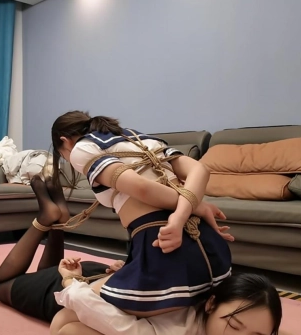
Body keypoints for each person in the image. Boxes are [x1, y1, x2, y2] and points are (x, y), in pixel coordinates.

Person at [0, 176, 301, 335]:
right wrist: (70, 283)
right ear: (211, 304)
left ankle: (56, 219)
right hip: (77, 292)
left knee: (48, 273)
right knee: (2, 284)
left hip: (102, 278)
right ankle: (46, 219)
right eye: (236, 326)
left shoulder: (210, 305)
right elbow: (78, 317)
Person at [49, 111, 233, 317]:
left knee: (69, 315)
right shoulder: (141, 138)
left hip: (164, 249)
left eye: (63, 156)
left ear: (65, 141)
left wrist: (193, 208)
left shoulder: (82, 148)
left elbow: (141, 188)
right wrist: (189, 208)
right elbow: (201, 170)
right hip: (213, 252)